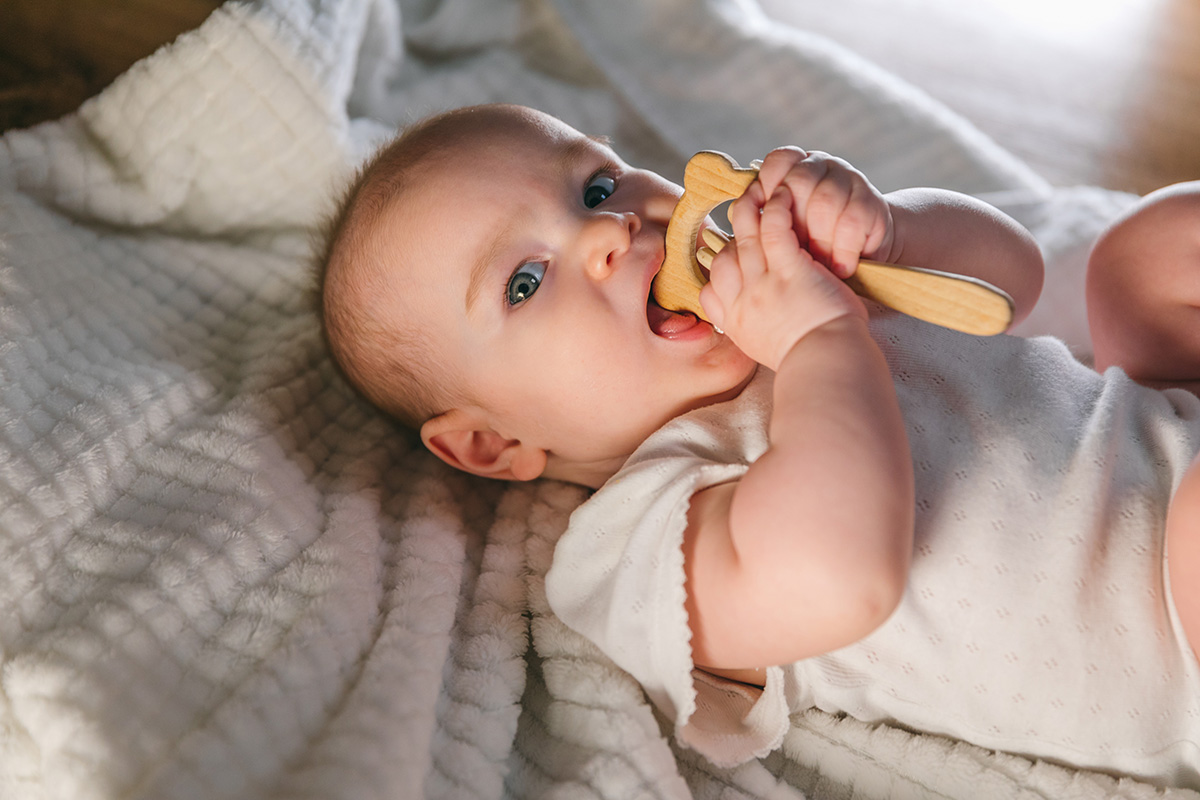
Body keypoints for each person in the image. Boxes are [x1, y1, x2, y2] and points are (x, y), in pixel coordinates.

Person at [316, 102, 1200, 788]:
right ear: (490, 443)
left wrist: (889, 231)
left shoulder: (800, 295)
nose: (607, 232)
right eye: (523, 282)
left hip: (1164, 419)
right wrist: (818, 343)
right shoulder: (642, 538)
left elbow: (1013, 278)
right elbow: (839, 572)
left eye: (595, 186)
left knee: (1149, 253)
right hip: (1175, 617)